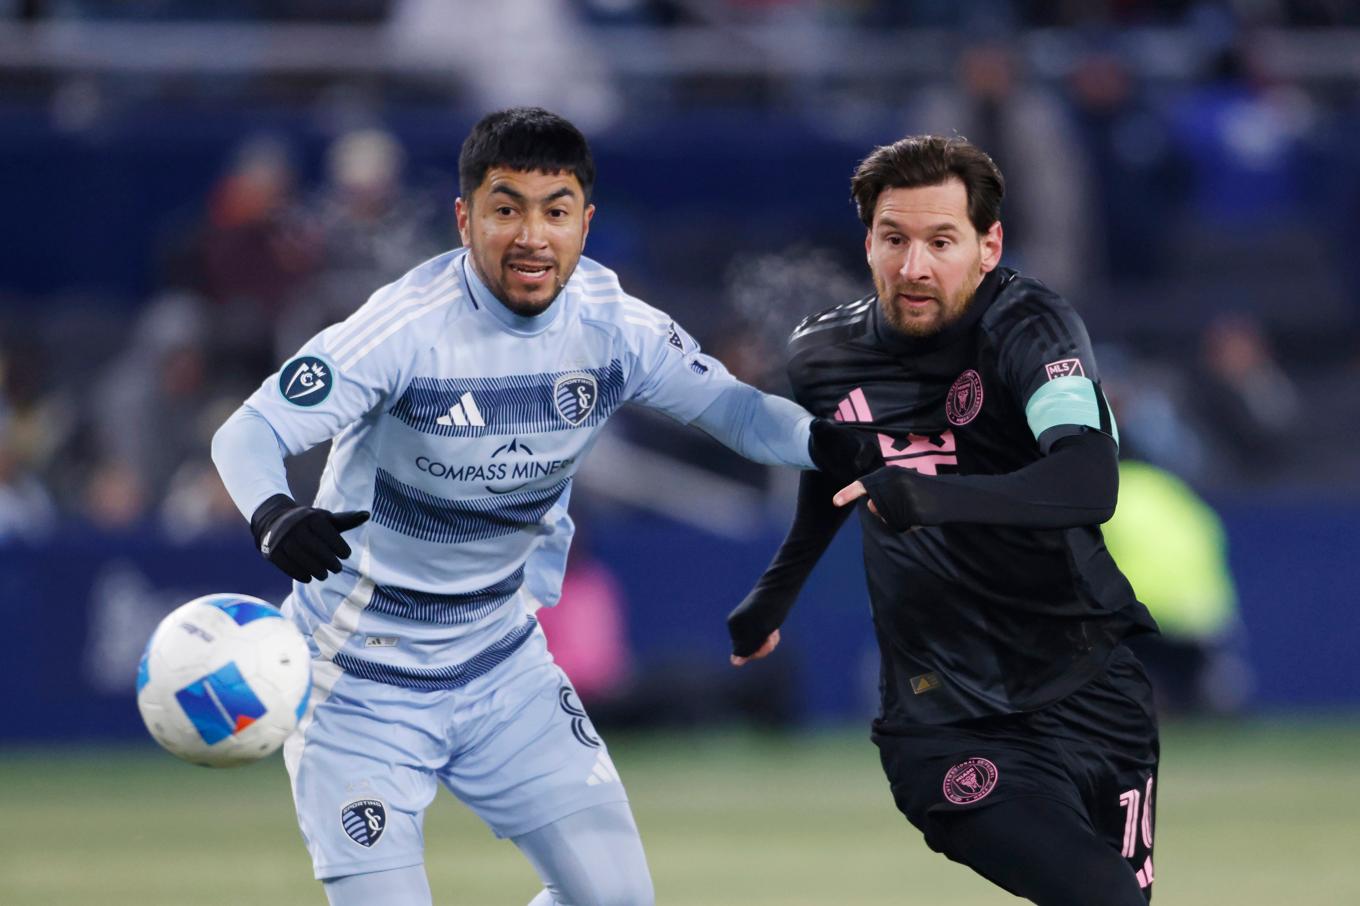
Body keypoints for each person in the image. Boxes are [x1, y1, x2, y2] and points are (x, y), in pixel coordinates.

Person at [210, 107, 873, 906]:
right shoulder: (404, 328)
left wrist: (824, 441)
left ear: (585, 223)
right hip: (357, 684)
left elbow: (734, 411)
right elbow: (248, 431)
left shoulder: (613, 325)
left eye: (555, 211)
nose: (532, 235)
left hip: (502, 668)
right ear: (465, 219)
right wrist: (275, 514)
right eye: (505, 208)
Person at [727, 135, 1161, 904]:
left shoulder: (1034, 328)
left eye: (941, 241)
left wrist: (931, 496)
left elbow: (1088, 480)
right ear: (867, 242)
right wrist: (773, 597)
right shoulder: (822, 355)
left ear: (988, 245)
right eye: (894, 239)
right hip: (943, 714)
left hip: (1092, 691)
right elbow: (833, 472)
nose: (914, 267)